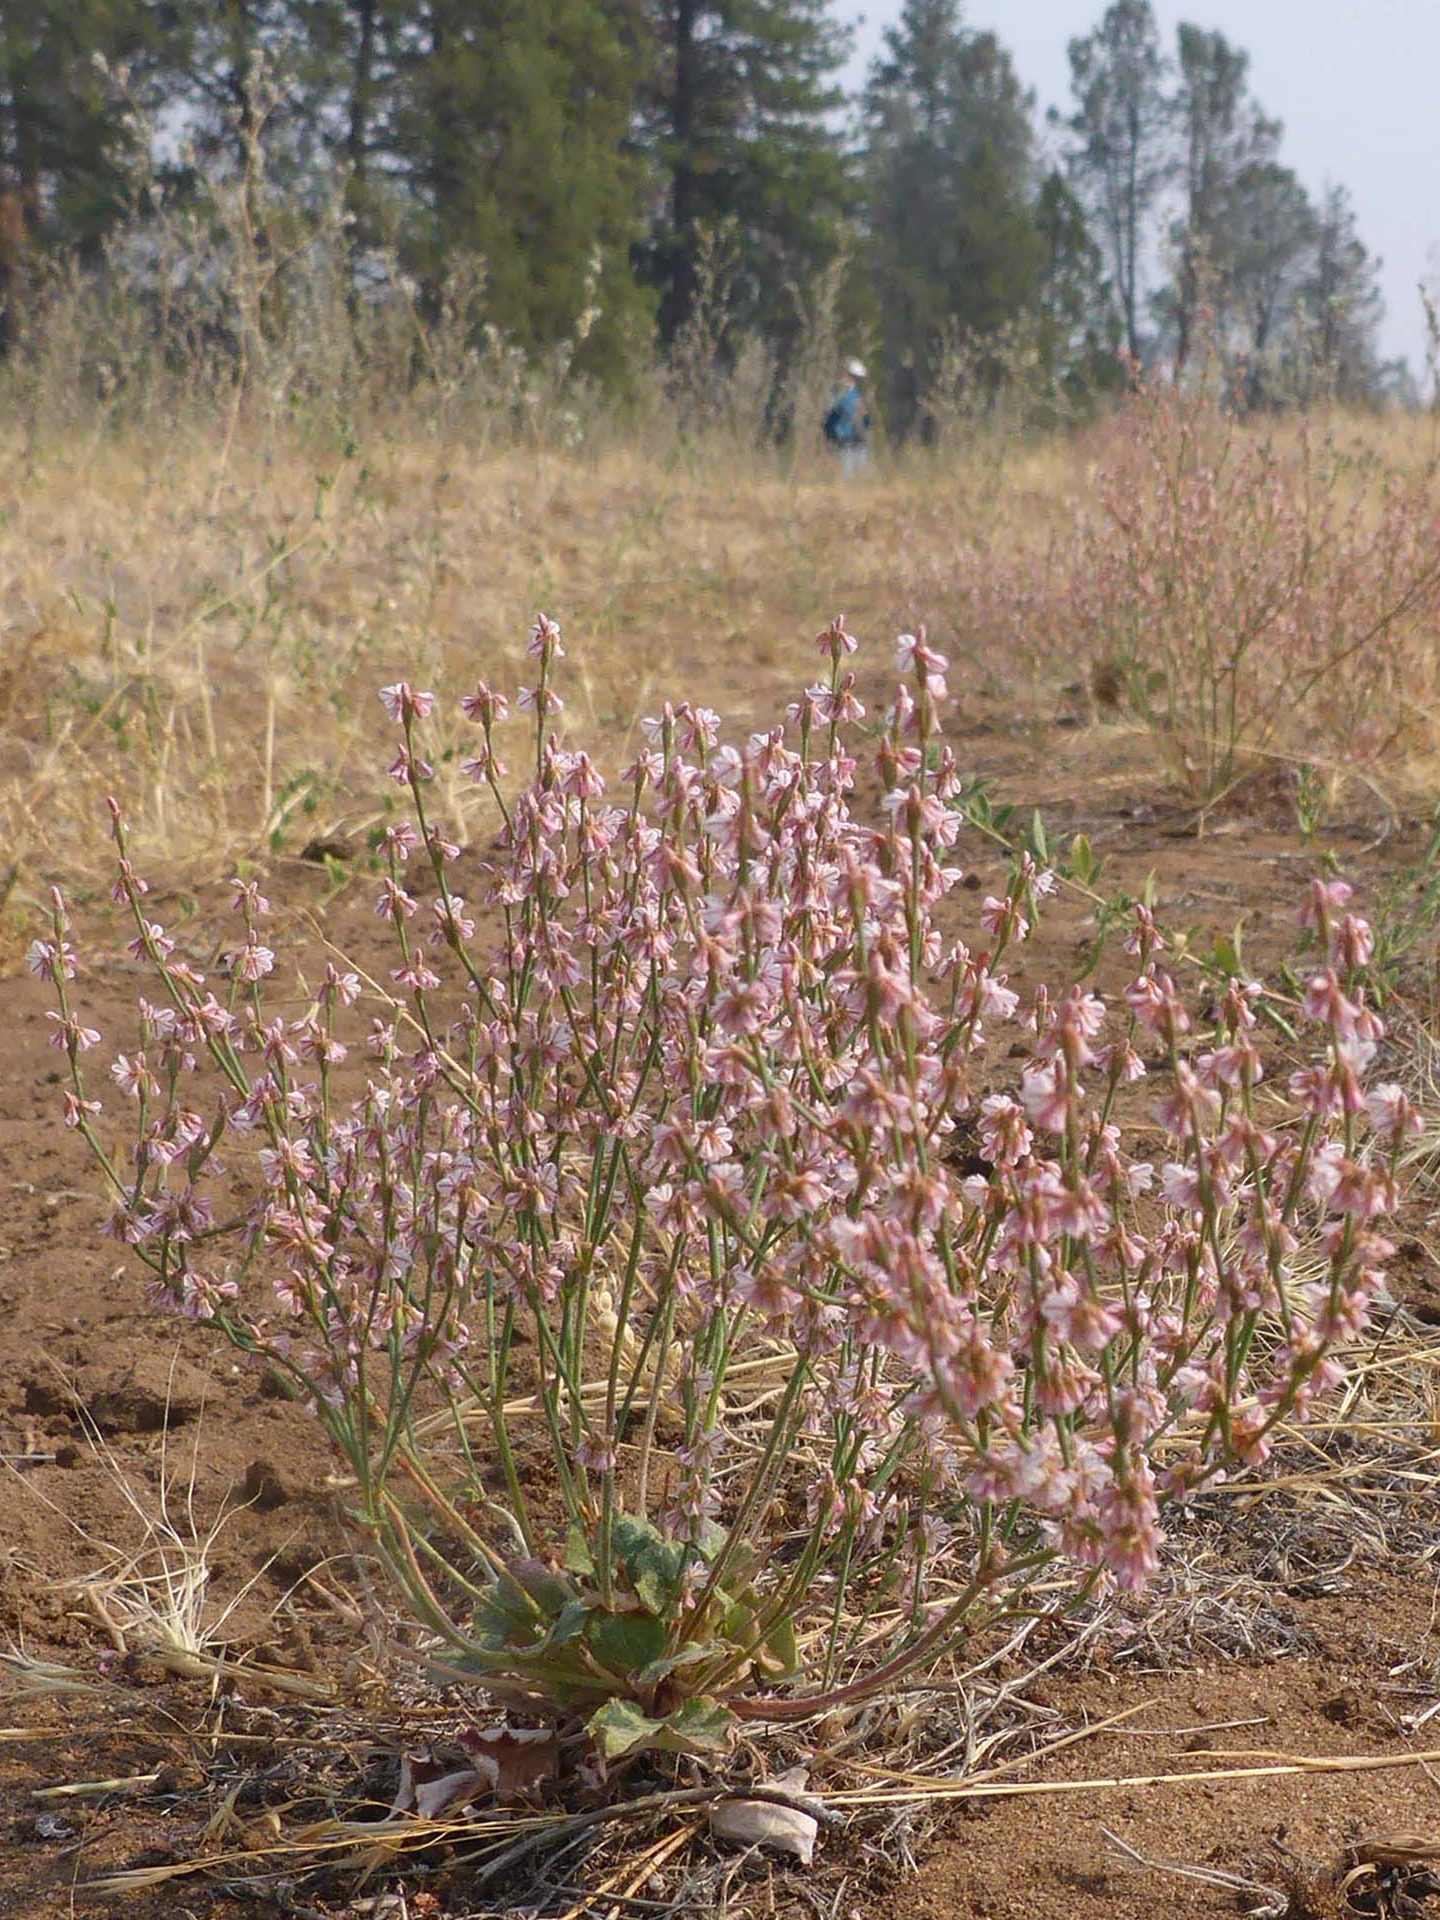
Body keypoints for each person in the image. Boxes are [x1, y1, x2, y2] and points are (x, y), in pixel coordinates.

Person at [824, 359, 872, 470]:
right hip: (844, 441)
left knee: (862, 474)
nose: (856, 381)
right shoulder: (837, 392)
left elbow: (867, 421)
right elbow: (830, 418)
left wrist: (865, 416)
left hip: (858, 440)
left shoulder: (856, 393)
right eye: (854, 377)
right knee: (847, 475)